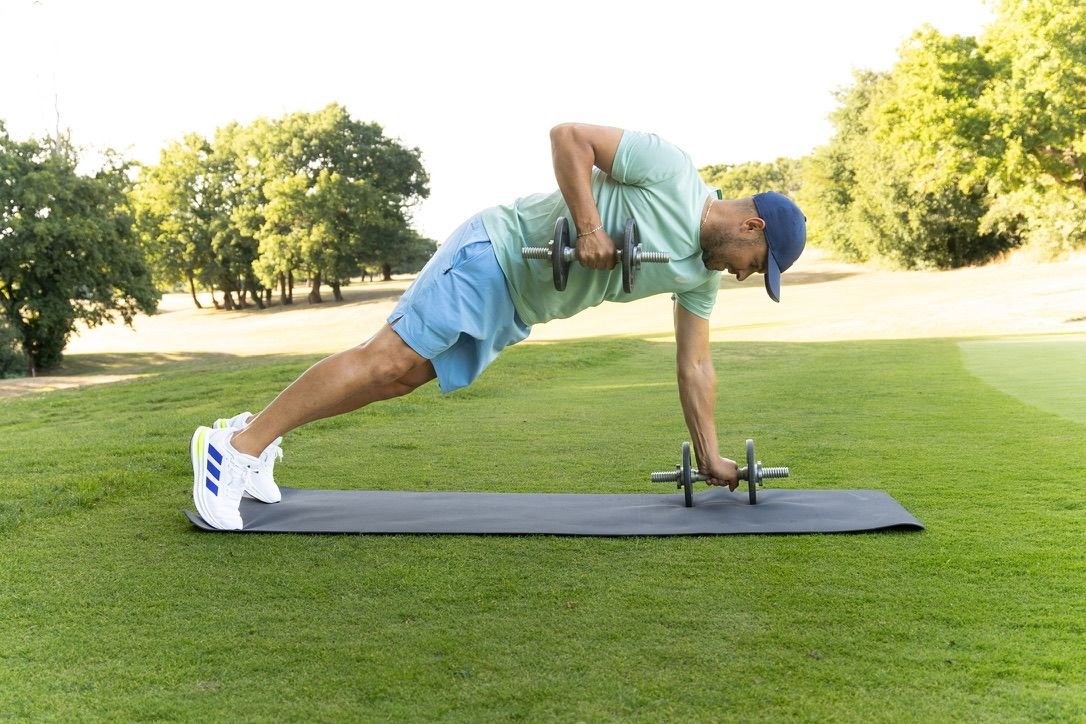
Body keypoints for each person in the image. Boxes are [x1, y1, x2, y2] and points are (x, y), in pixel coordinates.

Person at [191, 123, 807, 530]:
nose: (749, 276)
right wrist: (590, 228)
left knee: (399, 378)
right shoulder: (672, 170)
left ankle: (256, 435)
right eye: (760, 265)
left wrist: (710, 455)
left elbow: (695, 365)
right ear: (752, 226)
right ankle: (230, 452)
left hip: (516, 304)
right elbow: (569, 137)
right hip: (496, 251)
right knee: (384, 359)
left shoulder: (697, 276)